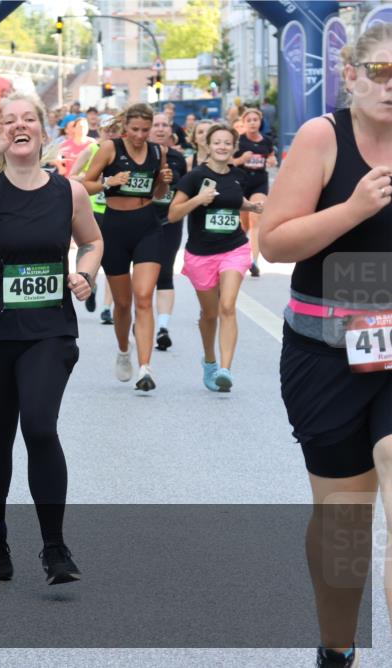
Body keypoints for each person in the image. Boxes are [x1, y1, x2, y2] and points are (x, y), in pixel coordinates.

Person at [259, 23, 392, 668]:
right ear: (352, 75)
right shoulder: (323, 138)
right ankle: (337, 647)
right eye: (380, 71)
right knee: (345, 524)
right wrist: (354, 209)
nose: (390, 85)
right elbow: (274, 243)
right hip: (326, 354)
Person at [0, 93, 103, 585]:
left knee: (38, 426)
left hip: (48, 332)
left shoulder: (69, 192)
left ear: (43, 130)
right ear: (0, 131)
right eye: (9, 120)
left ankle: (55, 549)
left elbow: (93, 241)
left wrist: (85, 274)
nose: (20, 126)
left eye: (29, 119)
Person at [82, 103, 173, 391]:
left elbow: (158, 194)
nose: (140, 135)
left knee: (144, 296)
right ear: (125, 128)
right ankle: (124, 350)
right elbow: (86, 184)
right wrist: (109, 181)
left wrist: (162, 182)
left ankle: (145, 368)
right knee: (123, 304)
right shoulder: (110, 148)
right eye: (135, 130)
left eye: (145, 130)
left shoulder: (158, 151)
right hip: (115, 228)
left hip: (148, 226)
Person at [168, 124, 262, 391]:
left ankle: (225, 369)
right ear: (208, 146)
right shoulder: (194, 177)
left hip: (234, 248)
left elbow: (234, 200)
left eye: (227, 143)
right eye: (217, 142)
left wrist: (251, 206)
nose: (222, 147)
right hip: (201, 254)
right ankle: (209, 360)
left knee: (228, 306)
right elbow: (174, 214)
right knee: (209, 314)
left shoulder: (238, 176)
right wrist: (198, 199)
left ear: (234, 147)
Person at [69, 118, 124, 320]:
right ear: (100, 130)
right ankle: (89, 284)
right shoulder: (91, 150)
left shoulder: (122, 152)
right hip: (92, 209)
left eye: (116, 130)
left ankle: (107, 308)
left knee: (113, 260)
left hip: (115, 210)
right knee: (91, 251)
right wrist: (96, 181)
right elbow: (71, 176)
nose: (111, 133)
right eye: (108, 130)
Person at [150, 112, 189, 352]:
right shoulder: (139, 156)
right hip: (141, 220)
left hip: (170, 222)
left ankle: (163, 327)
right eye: (156, 125)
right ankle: (141, 318)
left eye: (166, 125)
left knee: (165, 272)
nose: (161, 129)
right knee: (144, 274)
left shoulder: (178, 158)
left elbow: (183, 190)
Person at [233, 108, 276, 277]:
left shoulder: (266, 141)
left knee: (256, 219)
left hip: (259, 183)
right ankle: (239, 254)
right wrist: (241, 160)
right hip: (242, 184)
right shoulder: (238, 141)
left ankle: (254, 262)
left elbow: (271, 155)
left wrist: (272, 159)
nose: (252, 122)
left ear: (260, 122)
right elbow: (229, 163)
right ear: (243, 123)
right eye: (249, 120)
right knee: (243, 226)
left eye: (255, 119)